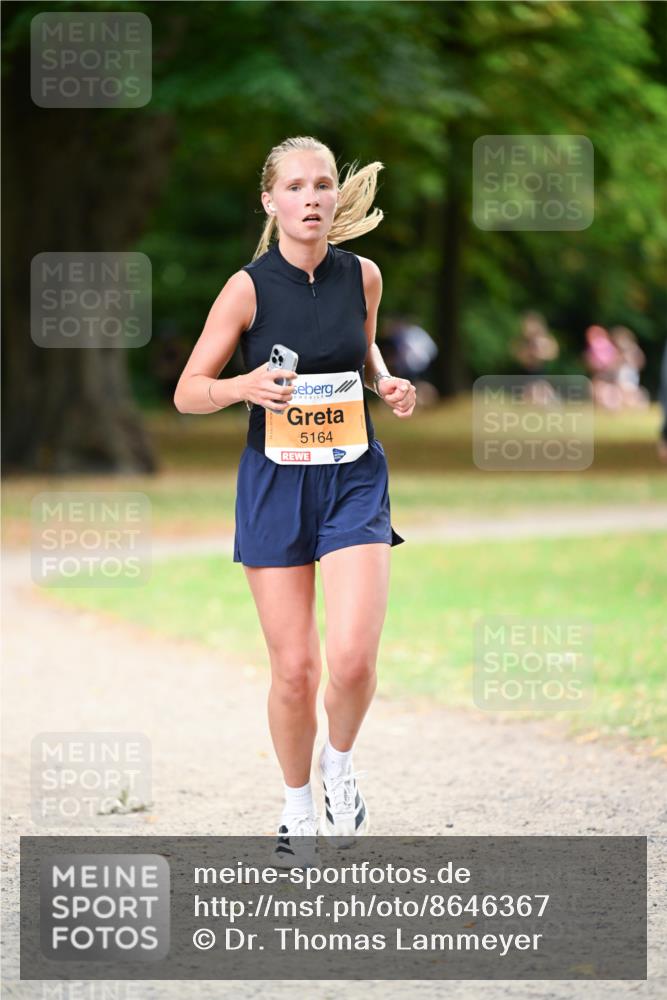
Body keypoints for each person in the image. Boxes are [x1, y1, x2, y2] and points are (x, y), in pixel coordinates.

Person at [173, 136, 416, 869]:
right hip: (275, 480)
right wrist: (240, 387)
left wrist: (387, 383)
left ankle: (338, 768)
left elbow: (363, 353)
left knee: (348, 659)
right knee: (294, 671)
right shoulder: (247, 288)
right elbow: (187, 392)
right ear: (270, 201)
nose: (312, 199)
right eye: (296, 187)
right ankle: (295, 807)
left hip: (352, 477)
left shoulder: (363, 277)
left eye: (322, 186)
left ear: (333, 197)